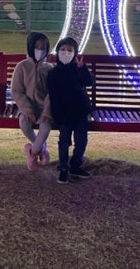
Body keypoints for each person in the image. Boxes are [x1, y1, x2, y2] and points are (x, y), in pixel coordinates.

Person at [46, 36, 94, 184]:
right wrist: (58, 115)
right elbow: (53, 96)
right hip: (64, 114)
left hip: (80, 113)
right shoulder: (54, 73)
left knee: (81, 142)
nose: (65, 53)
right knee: (64, 141)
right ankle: (63, 168)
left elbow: (89, 82)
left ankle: (75, 165)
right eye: (62, 49)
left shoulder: (77, 69)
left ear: (75, 53)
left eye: (69, 50)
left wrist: (82, 69)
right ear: (57, 52)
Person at [11, 32, 53, 171]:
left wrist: (47, 111)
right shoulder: (22, 67)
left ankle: (32, 152)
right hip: (26, 108)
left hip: (44, 108)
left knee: (45, 127)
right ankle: (42, 150)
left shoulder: (49, 69)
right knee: (24, 123)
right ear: (30, 47)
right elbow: (17, 91)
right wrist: (27, 110)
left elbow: (51, 93)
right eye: (36, 46)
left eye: (43, 47)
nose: (39, 50)